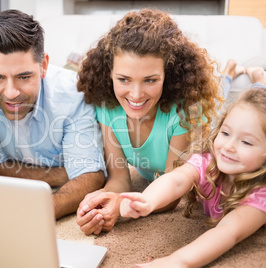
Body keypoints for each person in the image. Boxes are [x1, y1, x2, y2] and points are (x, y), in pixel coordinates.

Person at [76, 9, 223, 235]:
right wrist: (104, 201)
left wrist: (123, 207)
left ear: (168, 75)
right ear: (110, 75)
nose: (135, 95)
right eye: (124, 79)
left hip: (210, 129)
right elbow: (119, 179)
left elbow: (172, 193)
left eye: (150, 80)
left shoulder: (185, 110)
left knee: (242, 96)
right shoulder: (108, 107)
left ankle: (246, 76)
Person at [0, 9, 106, 219]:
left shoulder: (74, 94)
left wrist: (42, 211)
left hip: (62, 83)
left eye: (24, 77)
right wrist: (63, 174)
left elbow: (91, 176)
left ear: (43, 65)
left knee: (85, 72)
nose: (11, 93)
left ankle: (74, 60)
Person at [120, 87, 266, 267]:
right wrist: (148, 200)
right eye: (226, 133)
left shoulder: (261, 195)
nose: (228, 146)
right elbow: (177, 180)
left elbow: (228, 231)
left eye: (246, 142)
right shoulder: (208, 161)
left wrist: (176, 262)